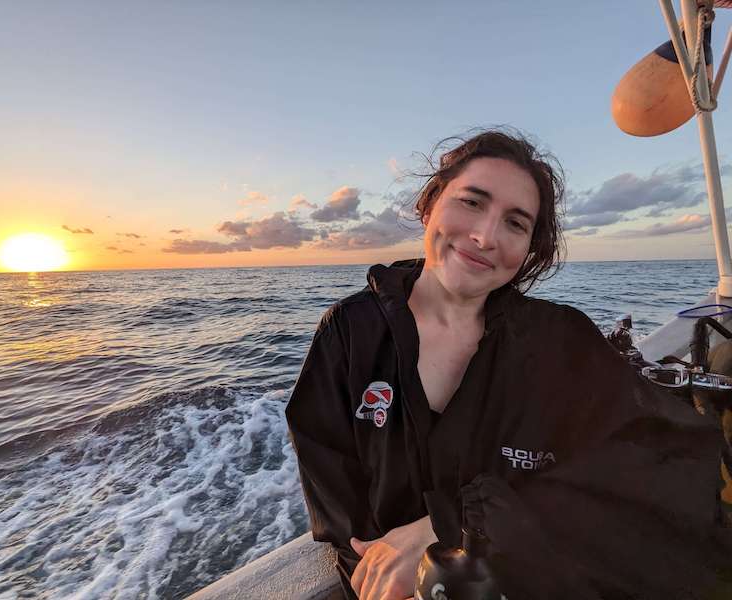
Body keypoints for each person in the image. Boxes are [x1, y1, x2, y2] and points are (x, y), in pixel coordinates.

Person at [285, 130, 731, 600]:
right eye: (472, 202)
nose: (485, 236)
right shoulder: (349, 333)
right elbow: (341, 510)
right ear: (429, 205)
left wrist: (457, 522)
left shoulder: (561, 341)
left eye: (515, 224)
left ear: (530, 248)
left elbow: (652, 462)